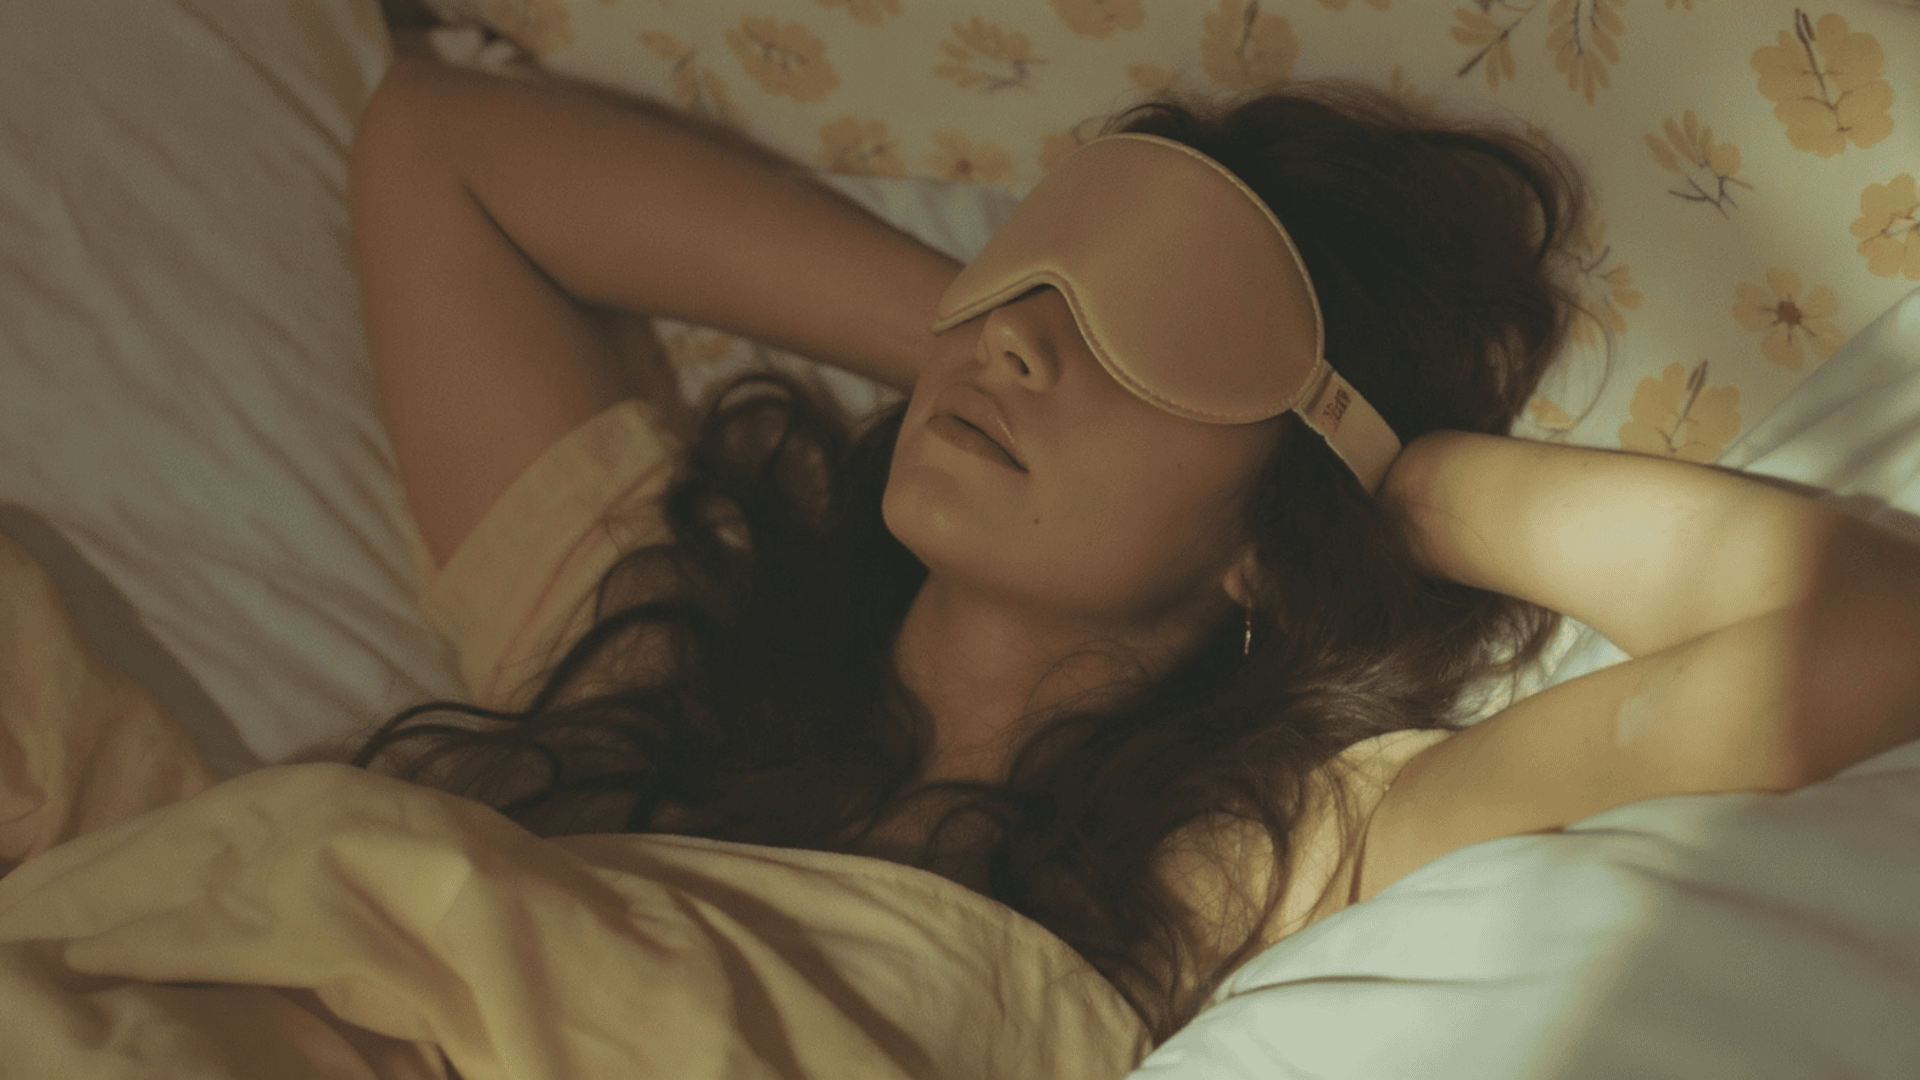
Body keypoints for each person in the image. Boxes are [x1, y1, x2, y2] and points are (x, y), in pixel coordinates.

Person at [347, 56, 1920, 1040]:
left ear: (1274, 529)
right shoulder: (657, 642)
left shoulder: (1247, 855)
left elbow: (1866, 632)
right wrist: (963, 338)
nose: (1031, 340)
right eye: (1037, 268)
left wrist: (1393, 493)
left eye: (1161, 334)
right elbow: (439, 146)